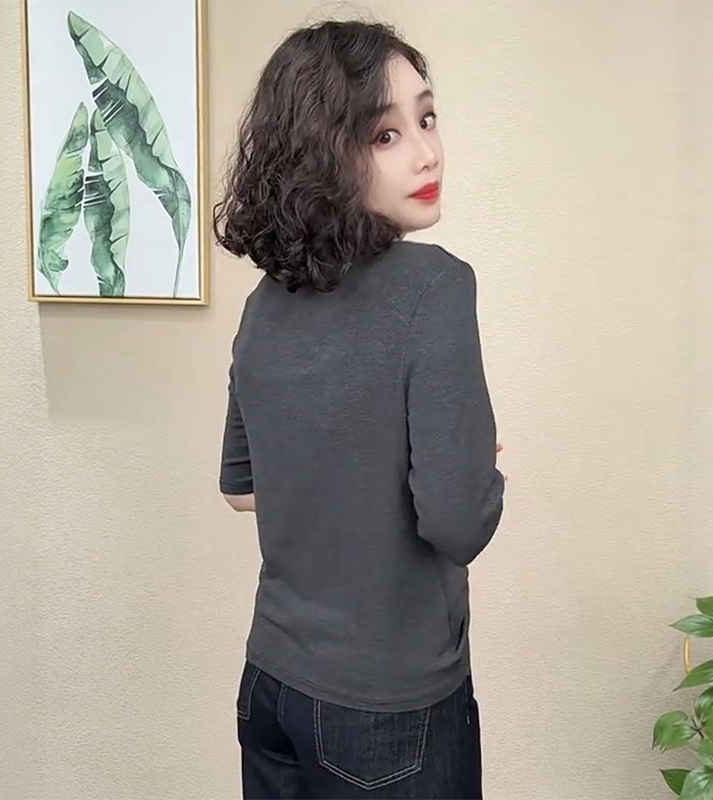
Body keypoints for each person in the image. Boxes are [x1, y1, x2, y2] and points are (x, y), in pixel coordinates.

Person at [213, 17, 507, 800]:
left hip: (271, 687)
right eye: (385, 134)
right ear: (321, 154)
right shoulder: (436, 288)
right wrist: (472, 465)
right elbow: (460, 522)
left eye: (427, 118)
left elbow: (242, 487)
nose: (426, 153)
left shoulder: (265, 304)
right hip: (389, 714)